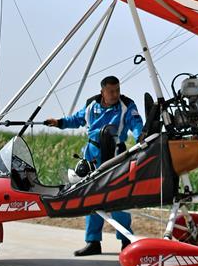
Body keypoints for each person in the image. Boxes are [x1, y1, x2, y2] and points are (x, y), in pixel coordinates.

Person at [45, 75, 143, 256]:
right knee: (92, 197)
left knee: (118, 199)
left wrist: (141, 137)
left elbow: (137, 125)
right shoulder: (91, 105)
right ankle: (93, 242)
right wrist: (59, 123)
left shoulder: (127, 106)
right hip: (91, 156)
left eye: (117, 90)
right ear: (102, 92)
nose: (115, 94)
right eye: (111, 91)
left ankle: (126, 241)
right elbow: (76, 119)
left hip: (115, 157)